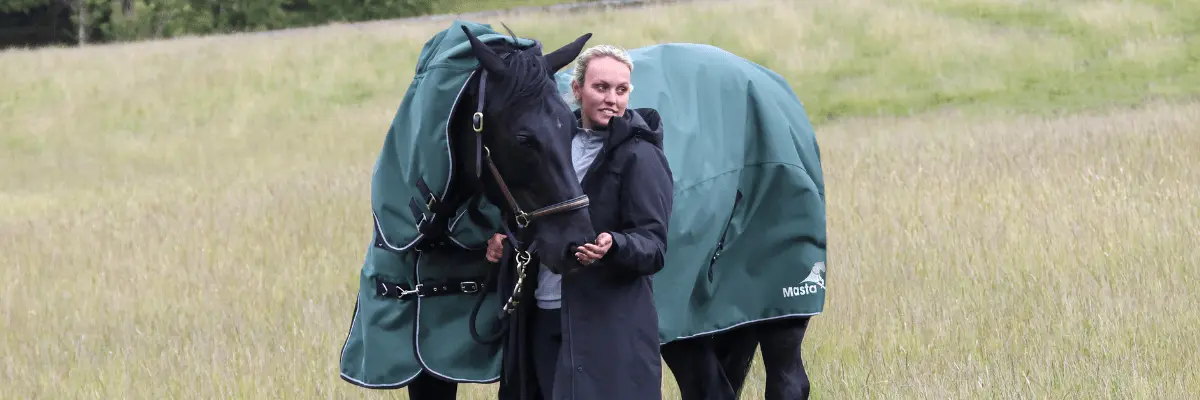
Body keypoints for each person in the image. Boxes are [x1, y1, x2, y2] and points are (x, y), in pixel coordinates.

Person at [486, 44, 674, 400]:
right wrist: (507, 239)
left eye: (621, 90)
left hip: (607, 330)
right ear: (576, 90)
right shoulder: (552, 146)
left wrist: (614, 245)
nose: (612, 99)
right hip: (543, 315)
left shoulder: (641, 156)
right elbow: (538, 219)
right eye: (600, 87)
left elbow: (654, 247)